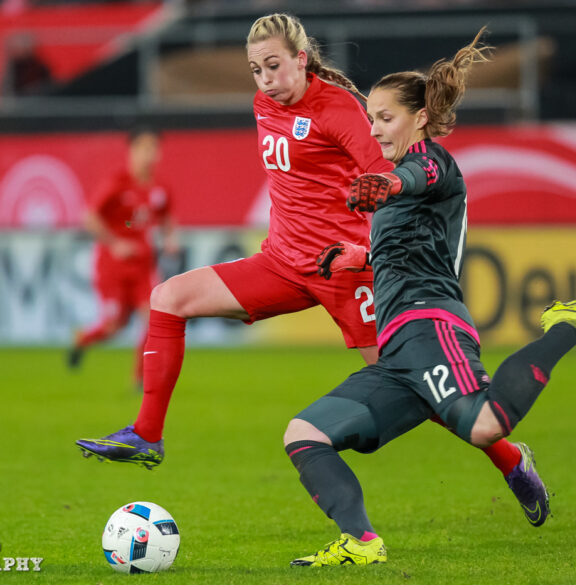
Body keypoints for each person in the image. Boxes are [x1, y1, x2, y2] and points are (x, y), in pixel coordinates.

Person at [76, 15, 544, 521]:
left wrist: (371, 242)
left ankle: (511, 459)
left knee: (413, 381)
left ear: (301, 60)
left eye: (274, 66)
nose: (265, 80)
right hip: (281, 264)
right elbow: (296, 183)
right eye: (256, 70)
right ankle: (147, 434)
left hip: (344, 273)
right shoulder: (263, 104)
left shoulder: (340, 110)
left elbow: (387, 171)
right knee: (169, 297)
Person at [282, 29, 576, 567]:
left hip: (432, 325)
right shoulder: (395, 184)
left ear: (419, 118)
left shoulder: (433, 164)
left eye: (385, 117)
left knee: (485, 424)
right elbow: (405, 245)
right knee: (304, 434)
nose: (374, 130)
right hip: (396, 351)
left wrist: (390, 187)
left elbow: (416, 179)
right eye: (371, 118)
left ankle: (566, 322)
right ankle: (362, 542)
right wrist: (359, 256)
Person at [67, 128, 179, 388]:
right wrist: (115, 243)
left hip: (143, 266)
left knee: (153, 317)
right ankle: (83, 339)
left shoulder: (160, 188)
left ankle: (140, 378)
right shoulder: (117, 182)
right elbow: (89, 217)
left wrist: (171, 240)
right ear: (132, 151)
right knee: (113, 326)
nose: (149, 155)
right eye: (144, 148)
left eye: (154, 148)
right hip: (113, 266)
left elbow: (167, 218)